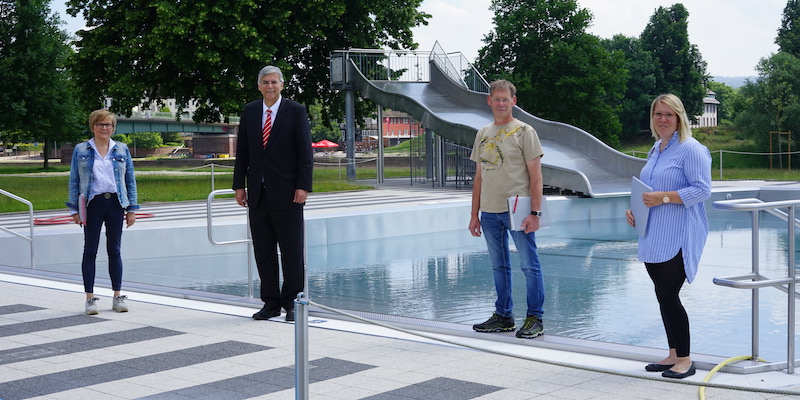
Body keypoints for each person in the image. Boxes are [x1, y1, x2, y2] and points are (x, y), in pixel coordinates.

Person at [626, 93, 711, 379]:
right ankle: (673, 353)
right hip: (653, 234)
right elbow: (646, 189)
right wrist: (635, 210)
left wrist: (662, 198)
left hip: (678, 234)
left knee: (668, 293)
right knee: (662, 295)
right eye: (657, 114)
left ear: (679, 118)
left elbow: (702, 190)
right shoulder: (656, 149)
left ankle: (685, 359)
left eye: (668, 115)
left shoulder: (691, 149)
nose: (662, 120)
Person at [233, 65, 313, 322]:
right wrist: (239, 185)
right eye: (265, 82)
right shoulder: (250, 111)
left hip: (289, 193)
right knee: (263, 251)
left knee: (292, 251)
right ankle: (270, 303)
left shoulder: (296, 111)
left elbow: (305, 153)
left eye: (274, 82)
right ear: (259, 86)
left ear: (281, 85)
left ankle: (292, 303)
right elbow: (243, 151)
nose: (270, 86)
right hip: (258, 193)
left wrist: (303, 186)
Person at [469, 80, 546, 339]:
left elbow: (536, 177)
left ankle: (535, 318)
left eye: (506, 99)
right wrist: (474, 215)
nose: (501, 103)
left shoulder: (525, 131)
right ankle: (503, 315)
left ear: (514, 101)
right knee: (498, 266)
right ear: (489, 101)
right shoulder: (482, 134)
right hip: (490, 212)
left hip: (518, 209)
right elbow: (478, 177)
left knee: (529, 265)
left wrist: (535, 213)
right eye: (496, 99)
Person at [66, 109, 139, 315]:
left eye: (108, 125)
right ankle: (90, 299)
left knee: (114, 250)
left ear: (113, 128)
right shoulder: (81, 150)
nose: (104, 128)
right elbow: (74, 180)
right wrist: (74, 210)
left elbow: (130, 181)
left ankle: (117, 296)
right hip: (92, 204)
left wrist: (132, 209)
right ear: (93, 127)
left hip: (115, 203)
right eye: (100, 125)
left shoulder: (121, 150)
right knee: (90, 251)